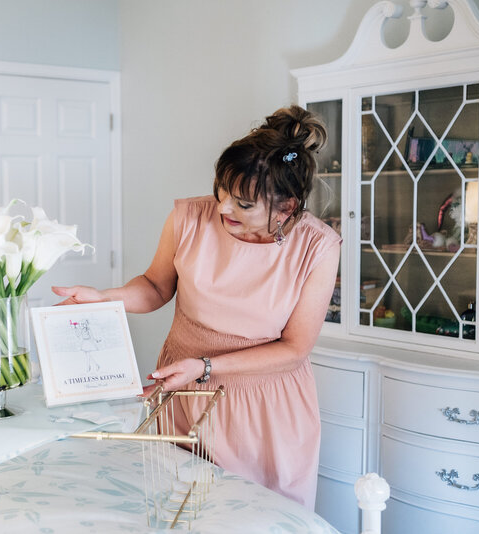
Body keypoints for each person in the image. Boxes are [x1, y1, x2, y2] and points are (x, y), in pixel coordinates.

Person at [52, 105, 341, 510]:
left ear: (286, 208)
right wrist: (105, 298)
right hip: (183, 389)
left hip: (263, 407)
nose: (223, 209)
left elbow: (294, 348)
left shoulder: (319, 246)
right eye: (221, 192)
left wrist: (206, 366)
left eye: (242, 204)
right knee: (178, 508)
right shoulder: (187, 218)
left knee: (253, 516)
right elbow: (154, 286)